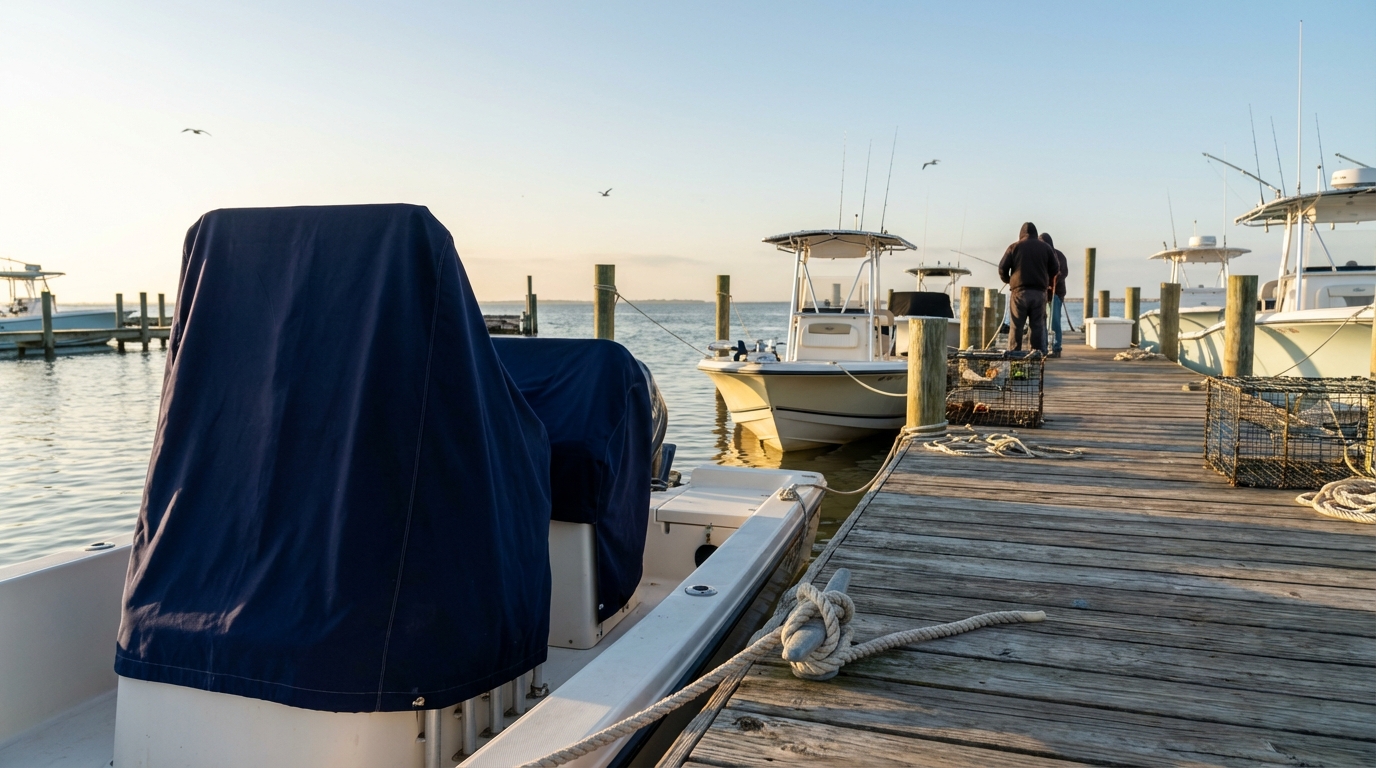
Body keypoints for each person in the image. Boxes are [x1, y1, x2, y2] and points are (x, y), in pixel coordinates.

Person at [997, 222, 1058, 353]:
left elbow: (1002, 268)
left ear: (1021, 234)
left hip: (1019, 293)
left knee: (1016, 327)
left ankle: (1014, 355)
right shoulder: (1046, 248)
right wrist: (1045, 277)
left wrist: (1009, 280)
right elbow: (1055, 268)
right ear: (1036, 233)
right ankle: (1036, 356)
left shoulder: (1014, 247)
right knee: (1037, 327)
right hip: (1039, 293)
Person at [1039, 232, 1069, 357]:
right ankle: (1044, 347)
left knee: (1054, 322)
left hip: (1056, 294)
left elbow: (1063, 272)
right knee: (1042, 322)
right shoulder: (1040, 255)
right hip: (1043, 294)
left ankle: (1057, 348)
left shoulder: (1059, 255)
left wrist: (1052, 282)